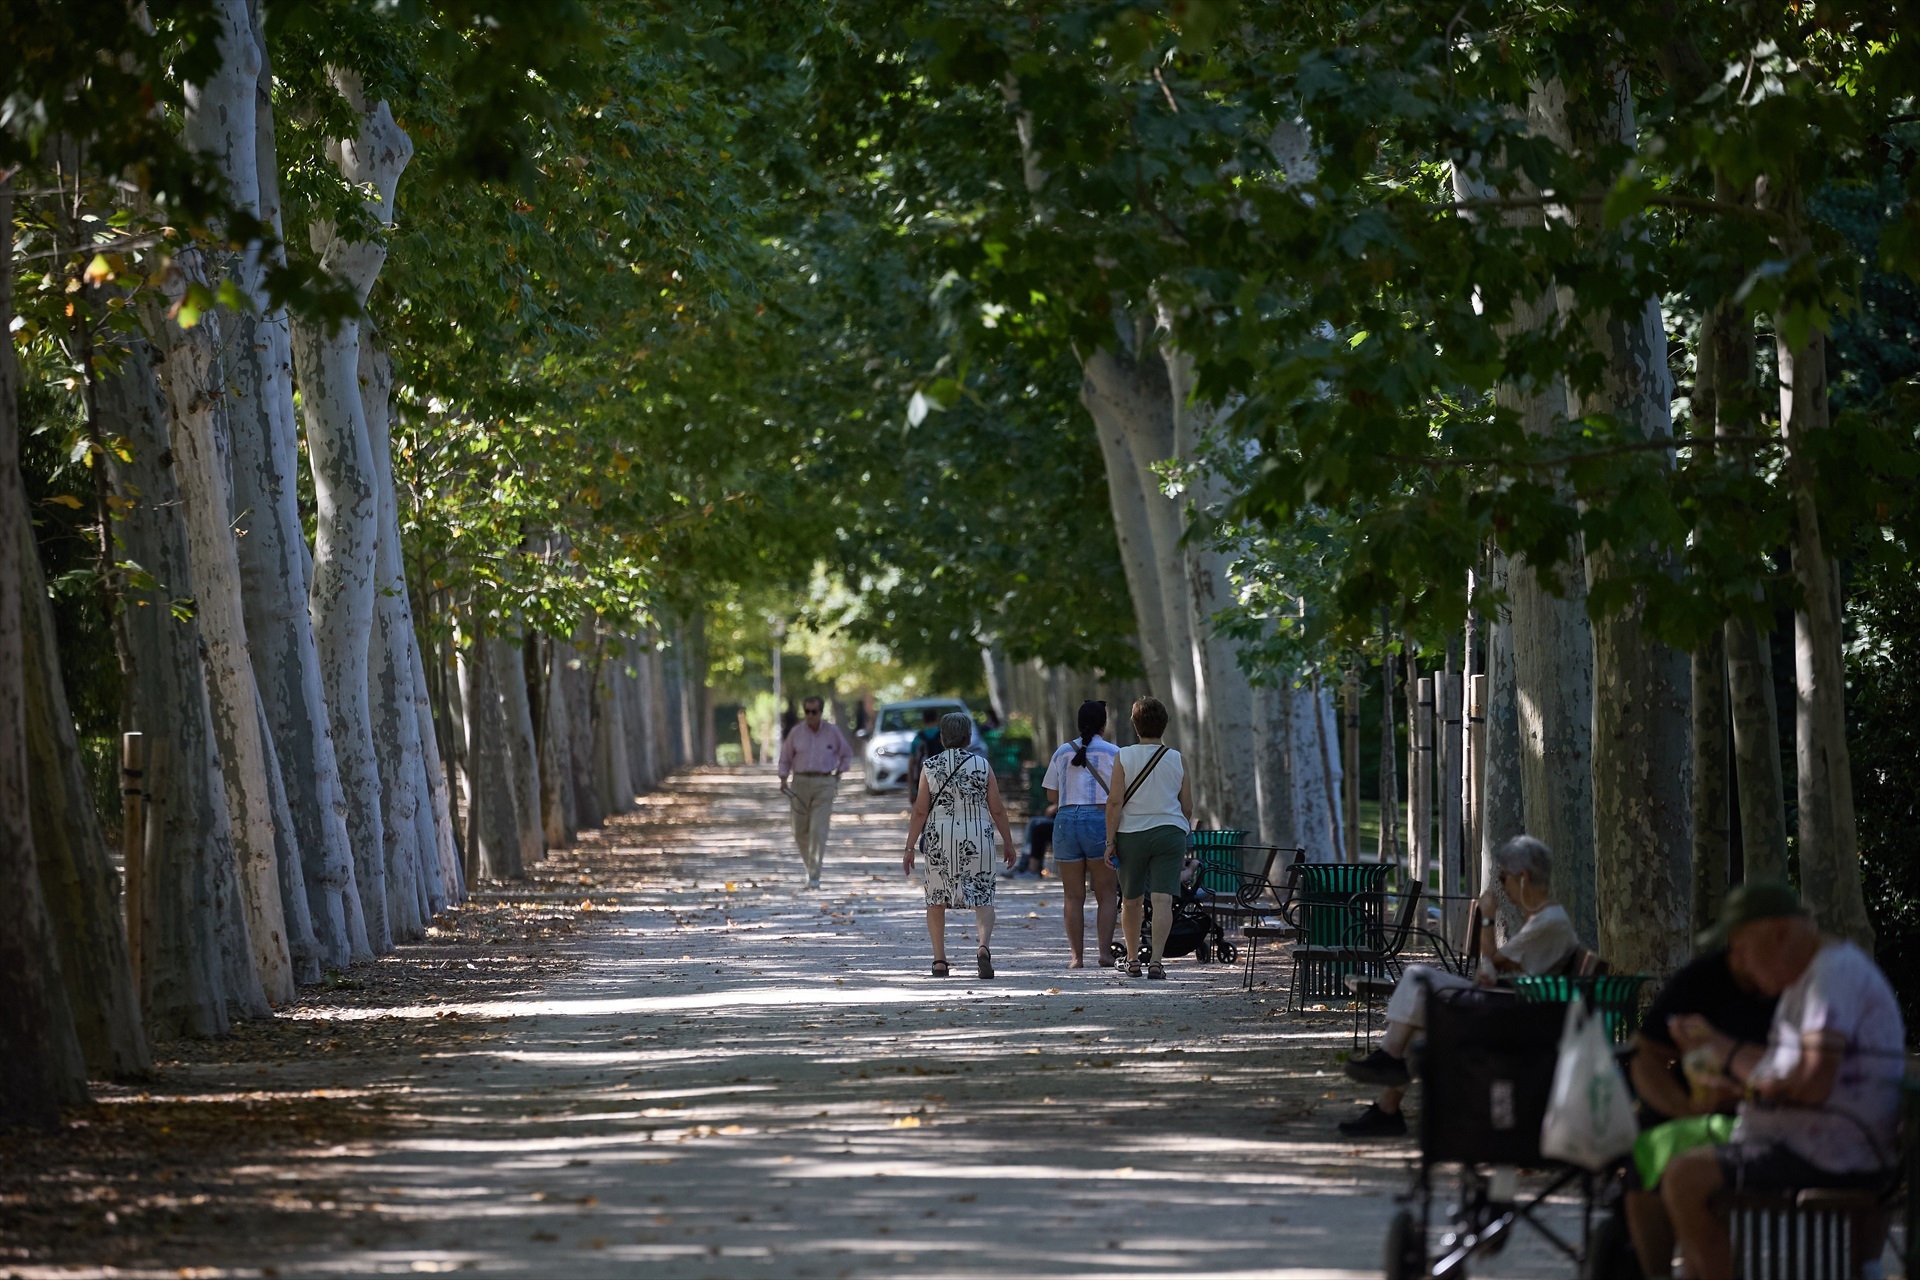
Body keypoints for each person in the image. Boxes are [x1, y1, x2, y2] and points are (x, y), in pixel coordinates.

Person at [1659, 882, 1905, 1280]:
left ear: (1779, 933)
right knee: (1683, 1170)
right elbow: (1784, 1068)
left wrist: (1722, 1049)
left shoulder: (1832, 976)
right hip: (1813, 1143)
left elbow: (1812, 1084)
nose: (1737, 962)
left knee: (1684, 1179)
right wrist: (1736, 1082)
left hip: (1830, 1154)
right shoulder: (1807, 980)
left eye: (1741, 948)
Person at [1337, 834, 1579, 1137]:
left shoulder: (1548, 921)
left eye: (1503, 877)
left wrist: (1488, 918)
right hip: (1510, 1008)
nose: (1502, 886)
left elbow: (1492, 957)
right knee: (1418, 1021)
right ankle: (1388, 1107)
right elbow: (1504, 966)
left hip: (1510, 1018)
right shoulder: (1544, 918)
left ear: (1523, 877)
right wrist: (1494, 973)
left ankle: (1390, 1058)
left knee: (1416, 977)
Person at [1621, 942, 1779, 1278]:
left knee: (1686, 1176)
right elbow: (1644, 1051)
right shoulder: (1704, 976)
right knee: (1644, 1146)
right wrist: (1684, 1108)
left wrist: (1736, 1093)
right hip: (1695, 1110)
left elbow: (1799, 1079)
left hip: (1766, 1118)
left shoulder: (1796, 987)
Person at [903, 711, 1018, 978]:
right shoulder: (982, 765)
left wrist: (909, 848)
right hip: (977, 836)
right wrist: (1008, 843)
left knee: (936, 899)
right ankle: (983, 948)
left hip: (939, 836)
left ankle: (940, 960)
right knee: (983, 895)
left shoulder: (930, 766)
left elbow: (920, 811)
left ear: (942, 738)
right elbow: (997, 809)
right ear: (968, 738)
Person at [1103, 696, 1193, 979]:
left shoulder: (1124, 756)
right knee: (1163, 899)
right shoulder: (1177, 759)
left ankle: (1132, 959)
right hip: (1169, 832)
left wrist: (1109, 841)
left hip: (1132, 834)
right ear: (1165, 725)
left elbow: (1115, 802)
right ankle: (1156, 961)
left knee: (1131, 900)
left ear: (1135, 725)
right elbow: (1187, 806)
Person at [1040, 700, 1121, 967]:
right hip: (1099, 820)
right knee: (1106, 893)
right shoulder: (1114, 753)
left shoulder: (1062, 752)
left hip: (1066, 821)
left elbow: (1052, 794)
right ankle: (1104, 953)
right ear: (1103, 724)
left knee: (1073, 895)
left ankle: (1076, 957)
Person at [776, 695, 853, 890]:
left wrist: (837, 775)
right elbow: (785, 757)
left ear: (821, 712)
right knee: (799, 831)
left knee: (818, 830)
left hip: (824, 782)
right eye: (807, 712)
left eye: (814, 712)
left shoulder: (832, 732)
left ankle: (814, 875)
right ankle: (811, 865)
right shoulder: (796, 733)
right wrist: (783, 778)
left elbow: (846, 754)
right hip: (800, 783)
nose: (810, 716)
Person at [905, 707, 943, 798]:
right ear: (937, 719)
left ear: (923, 720)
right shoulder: (943, 737)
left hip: (921, 786)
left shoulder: (918, 739)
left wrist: (911, 791)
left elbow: (911, 766)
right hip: (941, 785)